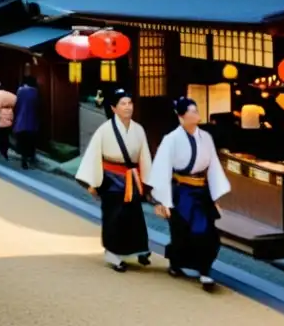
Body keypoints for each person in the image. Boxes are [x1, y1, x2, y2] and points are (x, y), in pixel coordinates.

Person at [147, 97, 232, 290]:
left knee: (207, 232)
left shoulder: (206, 138)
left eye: (196, 110)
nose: (196, 114)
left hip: (201, 191)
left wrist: (215, 196)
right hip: (181, 191)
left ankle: (204, 270)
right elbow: (162, 170)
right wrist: (162, 201)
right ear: (181, 116)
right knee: (181, 231)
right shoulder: (171, 140)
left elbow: (213, 168)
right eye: (192, 111)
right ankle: (177, 263)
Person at [75, 89, 153, 272]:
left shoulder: (138, 129)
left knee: (134, 215)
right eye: (123, 104)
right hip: (110, 178)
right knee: (113, 215)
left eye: (130, 103)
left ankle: (138, 248)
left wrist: (148, 182)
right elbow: (93, 155)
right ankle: (112, 252)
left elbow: (144, 156)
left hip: (131, 178)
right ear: (114, 108)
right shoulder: (105, 130)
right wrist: (91, 183)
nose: (127, 107)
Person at [13, 76, 39, 169]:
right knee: (31, 142)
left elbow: (17, 105)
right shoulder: (35, 92)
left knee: (23, 142)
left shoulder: (20, 91)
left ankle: (24, 161)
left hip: (21, 121)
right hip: (32, 121)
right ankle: (31, 158)